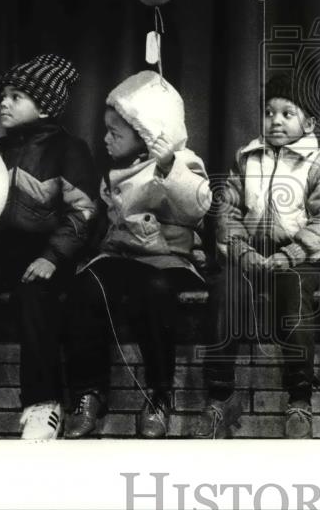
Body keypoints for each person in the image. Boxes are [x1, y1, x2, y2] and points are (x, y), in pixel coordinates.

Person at [0, 53, 97, 440]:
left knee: (35, 296)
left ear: (44, 105)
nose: (3, 102)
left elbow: (85, 212)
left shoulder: (69, 150)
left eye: (16, 96)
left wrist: (52, 255)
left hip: (45, 255)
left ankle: (43, 405)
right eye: (2, 95)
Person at [195, 72, 320, 439]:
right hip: (248, 254)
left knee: (295, 299)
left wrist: (289, 255)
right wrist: (243, 253)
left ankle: (299, 398)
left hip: (298, 257)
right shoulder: (246, 158)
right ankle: (221, 395)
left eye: (287, 114)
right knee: (225, 293)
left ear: (308, 122)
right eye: (269, 112)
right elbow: (227, 211)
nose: (275, 121)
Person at [65, 71, 212, 439]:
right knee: (86, 287)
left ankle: (160, 394)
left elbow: (197, 206)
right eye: (107, 130)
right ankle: (89, 391)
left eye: (116, 132)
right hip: (123, 259)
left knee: (156, 291)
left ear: (147, 134)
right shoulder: (115, 170)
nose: (106, 139)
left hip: (168, 259)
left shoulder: (182, 162)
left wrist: (168, 168)